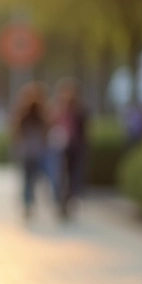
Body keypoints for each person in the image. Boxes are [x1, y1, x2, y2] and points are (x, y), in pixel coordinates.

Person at [11, 82, 60, 220]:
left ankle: (29, 204)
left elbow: (16, 133)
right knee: (46, 179)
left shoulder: (23, 114)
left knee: (28, 181)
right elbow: (47, 131)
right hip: (38, 152)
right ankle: (53, 203)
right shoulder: (41, 114)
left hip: (28, 152)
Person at [52, 78, 89, 219]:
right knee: (60, 177)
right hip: (60, 148)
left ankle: (68, 202)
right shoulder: (57, 109)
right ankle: (61, 202)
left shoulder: (80, 111)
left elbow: (84, 132)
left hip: (76, 148)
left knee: (74, 177)